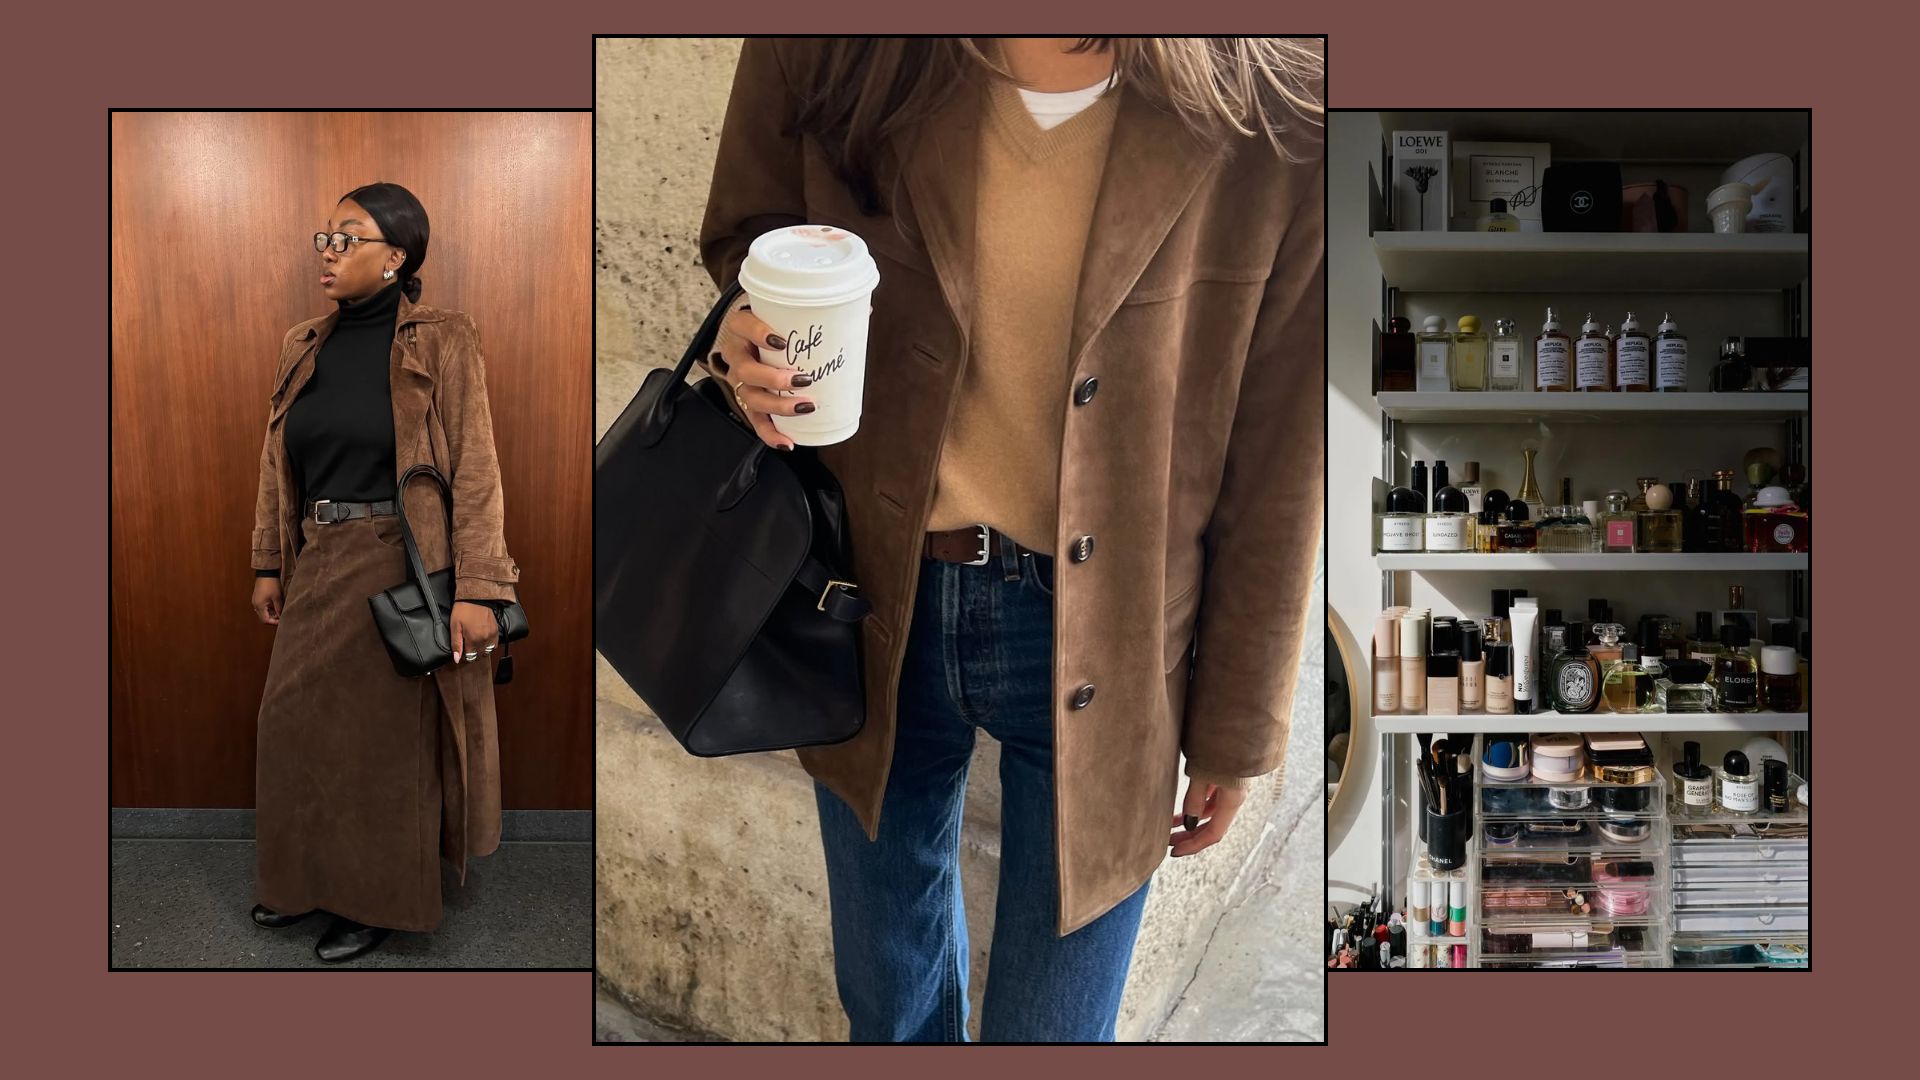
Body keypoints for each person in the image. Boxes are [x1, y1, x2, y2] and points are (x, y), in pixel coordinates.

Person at [695, 38, 1324, 1040]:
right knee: (889, 1012)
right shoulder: (825, 44)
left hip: (1115, 633)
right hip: (865, 597)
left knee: (1058, 1031)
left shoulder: (1282, 108)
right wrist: (747, 328)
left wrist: (1239, 725)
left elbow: (1283, 446)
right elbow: (748, 233)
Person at [248, 182, 521, 963]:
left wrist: (480, 591)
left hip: (400, 563)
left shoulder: (441, 338)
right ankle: (303, 881)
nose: (328, 250)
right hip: (316, 558)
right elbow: (273, 465)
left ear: (396, 258)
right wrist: (268, 560)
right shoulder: (303, 342)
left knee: (381, 745)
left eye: (349, 236)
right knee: (293, 727)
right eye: (324, 236)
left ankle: (377, 902)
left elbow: (475, 468)